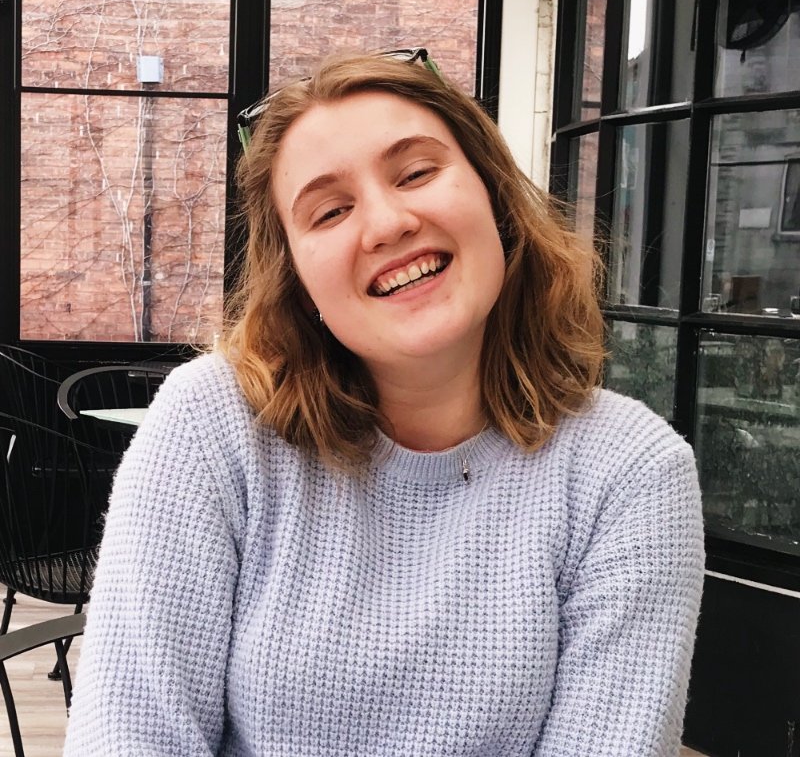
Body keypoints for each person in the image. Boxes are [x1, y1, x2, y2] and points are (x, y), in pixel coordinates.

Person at [63, 48, 704, 756]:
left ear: (495, 195)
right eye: (330, 211)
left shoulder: (631, 474)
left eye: (418, 172)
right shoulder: (213, 424)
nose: (387, 223)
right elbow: (128, 737)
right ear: (296, 277)